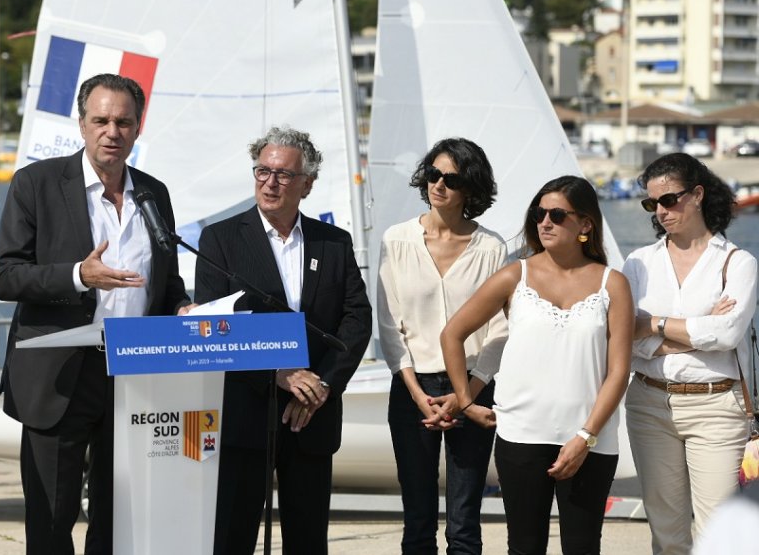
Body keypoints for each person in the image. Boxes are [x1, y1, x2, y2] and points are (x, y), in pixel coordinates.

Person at [0, 73, 192, 555]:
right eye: (100, 120)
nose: (112, 131)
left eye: (123, 122)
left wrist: (183, 305)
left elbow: (165, 281)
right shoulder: (36, 184)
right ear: (81, 124)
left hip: (134, 376)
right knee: (52, 522)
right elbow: (6, 276)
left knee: (121, 519)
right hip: (59, 377)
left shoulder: (153, 193)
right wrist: (80, 275)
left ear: (138, 129)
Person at [195, 126, 372, 555]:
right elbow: (216, 327)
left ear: (307, 184)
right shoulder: (219, 240)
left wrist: (321, 386)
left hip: (312, 415)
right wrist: (277, 374)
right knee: (231, 539)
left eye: (284, 175)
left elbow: (356, 319)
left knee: (308, 541)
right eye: (262, 171)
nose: (270, 183)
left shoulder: (334, 242)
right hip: (246, 414)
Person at [440, 175, 633, 554]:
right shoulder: (516, 276)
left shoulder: (613, 284)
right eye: (540, 213)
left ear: (585, 224)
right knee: (524, 547)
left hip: (591, 440)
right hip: (521, 435)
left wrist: (585, 437)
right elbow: (452, 334)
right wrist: (465, 400)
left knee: (582, 547)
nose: (545, 222)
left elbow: (618, 371)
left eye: (557, 215)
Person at [621, 153, 758, 554]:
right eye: (652, 204)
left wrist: (655, 324)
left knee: (718, 529)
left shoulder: (738, 262)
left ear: (697, 194)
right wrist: (699, 326)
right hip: (648, 402)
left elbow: (728, 332)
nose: (660, 211)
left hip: (718, 406)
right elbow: (626, 334)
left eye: (669, 200)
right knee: (665, 527)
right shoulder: (638, 262)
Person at [377, 137, 507, 554]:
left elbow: (500, 330)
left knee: (465, 524)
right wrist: (417, 395)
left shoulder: (491, 247)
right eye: (433, 174)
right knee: (416, 520)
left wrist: (466, 394)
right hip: (412, 388)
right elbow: (389, 325)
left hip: (473, 388)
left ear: (470, 187)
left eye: (451, 178)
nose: (439, 185)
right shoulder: (396, 240)